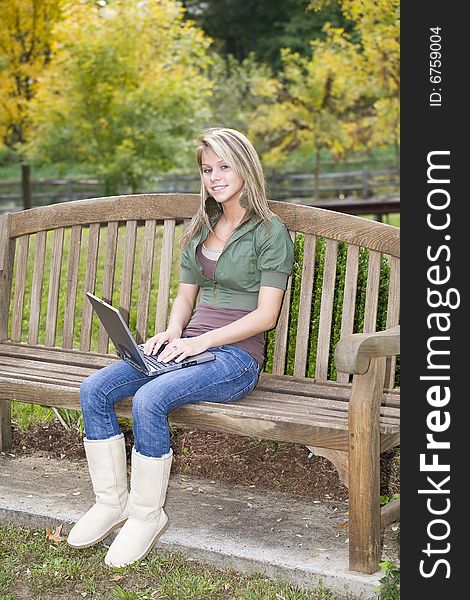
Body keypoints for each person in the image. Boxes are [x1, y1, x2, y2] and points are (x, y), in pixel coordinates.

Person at [67, 127, 295, 567]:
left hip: (235, 359)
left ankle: (147, 516)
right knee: (93, 390)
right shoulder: (202, 227)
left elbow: (266, 316)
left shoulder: (270, 231)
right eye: (208, 169)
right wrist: (173, 333)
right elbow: (186, 297)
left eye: (224, 166)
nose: (215, 177)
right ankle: (110, 504)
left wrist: (200, 342)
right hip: (190, 348)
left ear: (246, 167)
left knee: (150, 399)